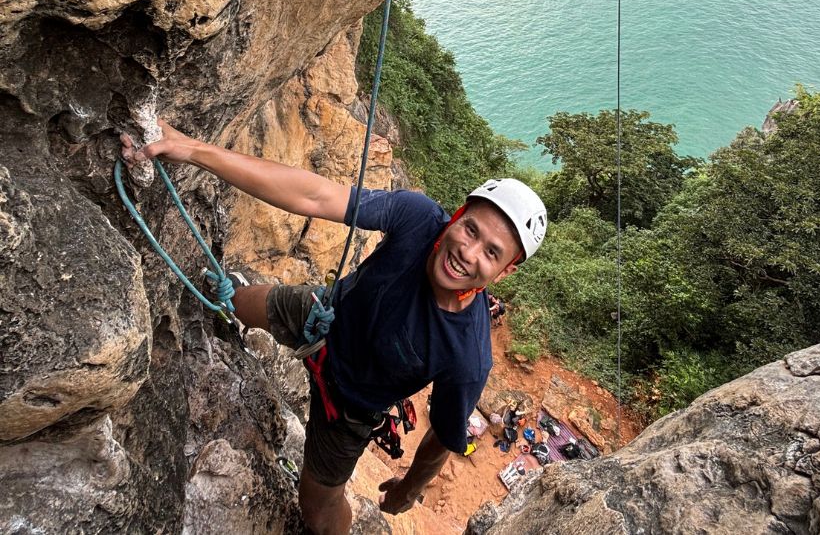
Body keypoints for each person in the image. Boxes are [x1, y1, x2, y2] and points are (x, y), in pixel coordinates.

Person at [121, 120, 547, 535]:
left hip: (348, 410)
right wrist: (194, 151)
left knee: (318, 512)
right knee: (238, 300)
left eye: (490, 253)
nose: (467, 253)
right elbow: (315, 196)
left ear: (504, 271)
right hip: (320, 316)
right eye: (469, 228)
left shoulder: (467, 355)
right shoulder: (418, 220)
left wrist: (408, 489)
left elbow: (443, 434)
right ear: (457, 215)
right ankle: (230, 303)